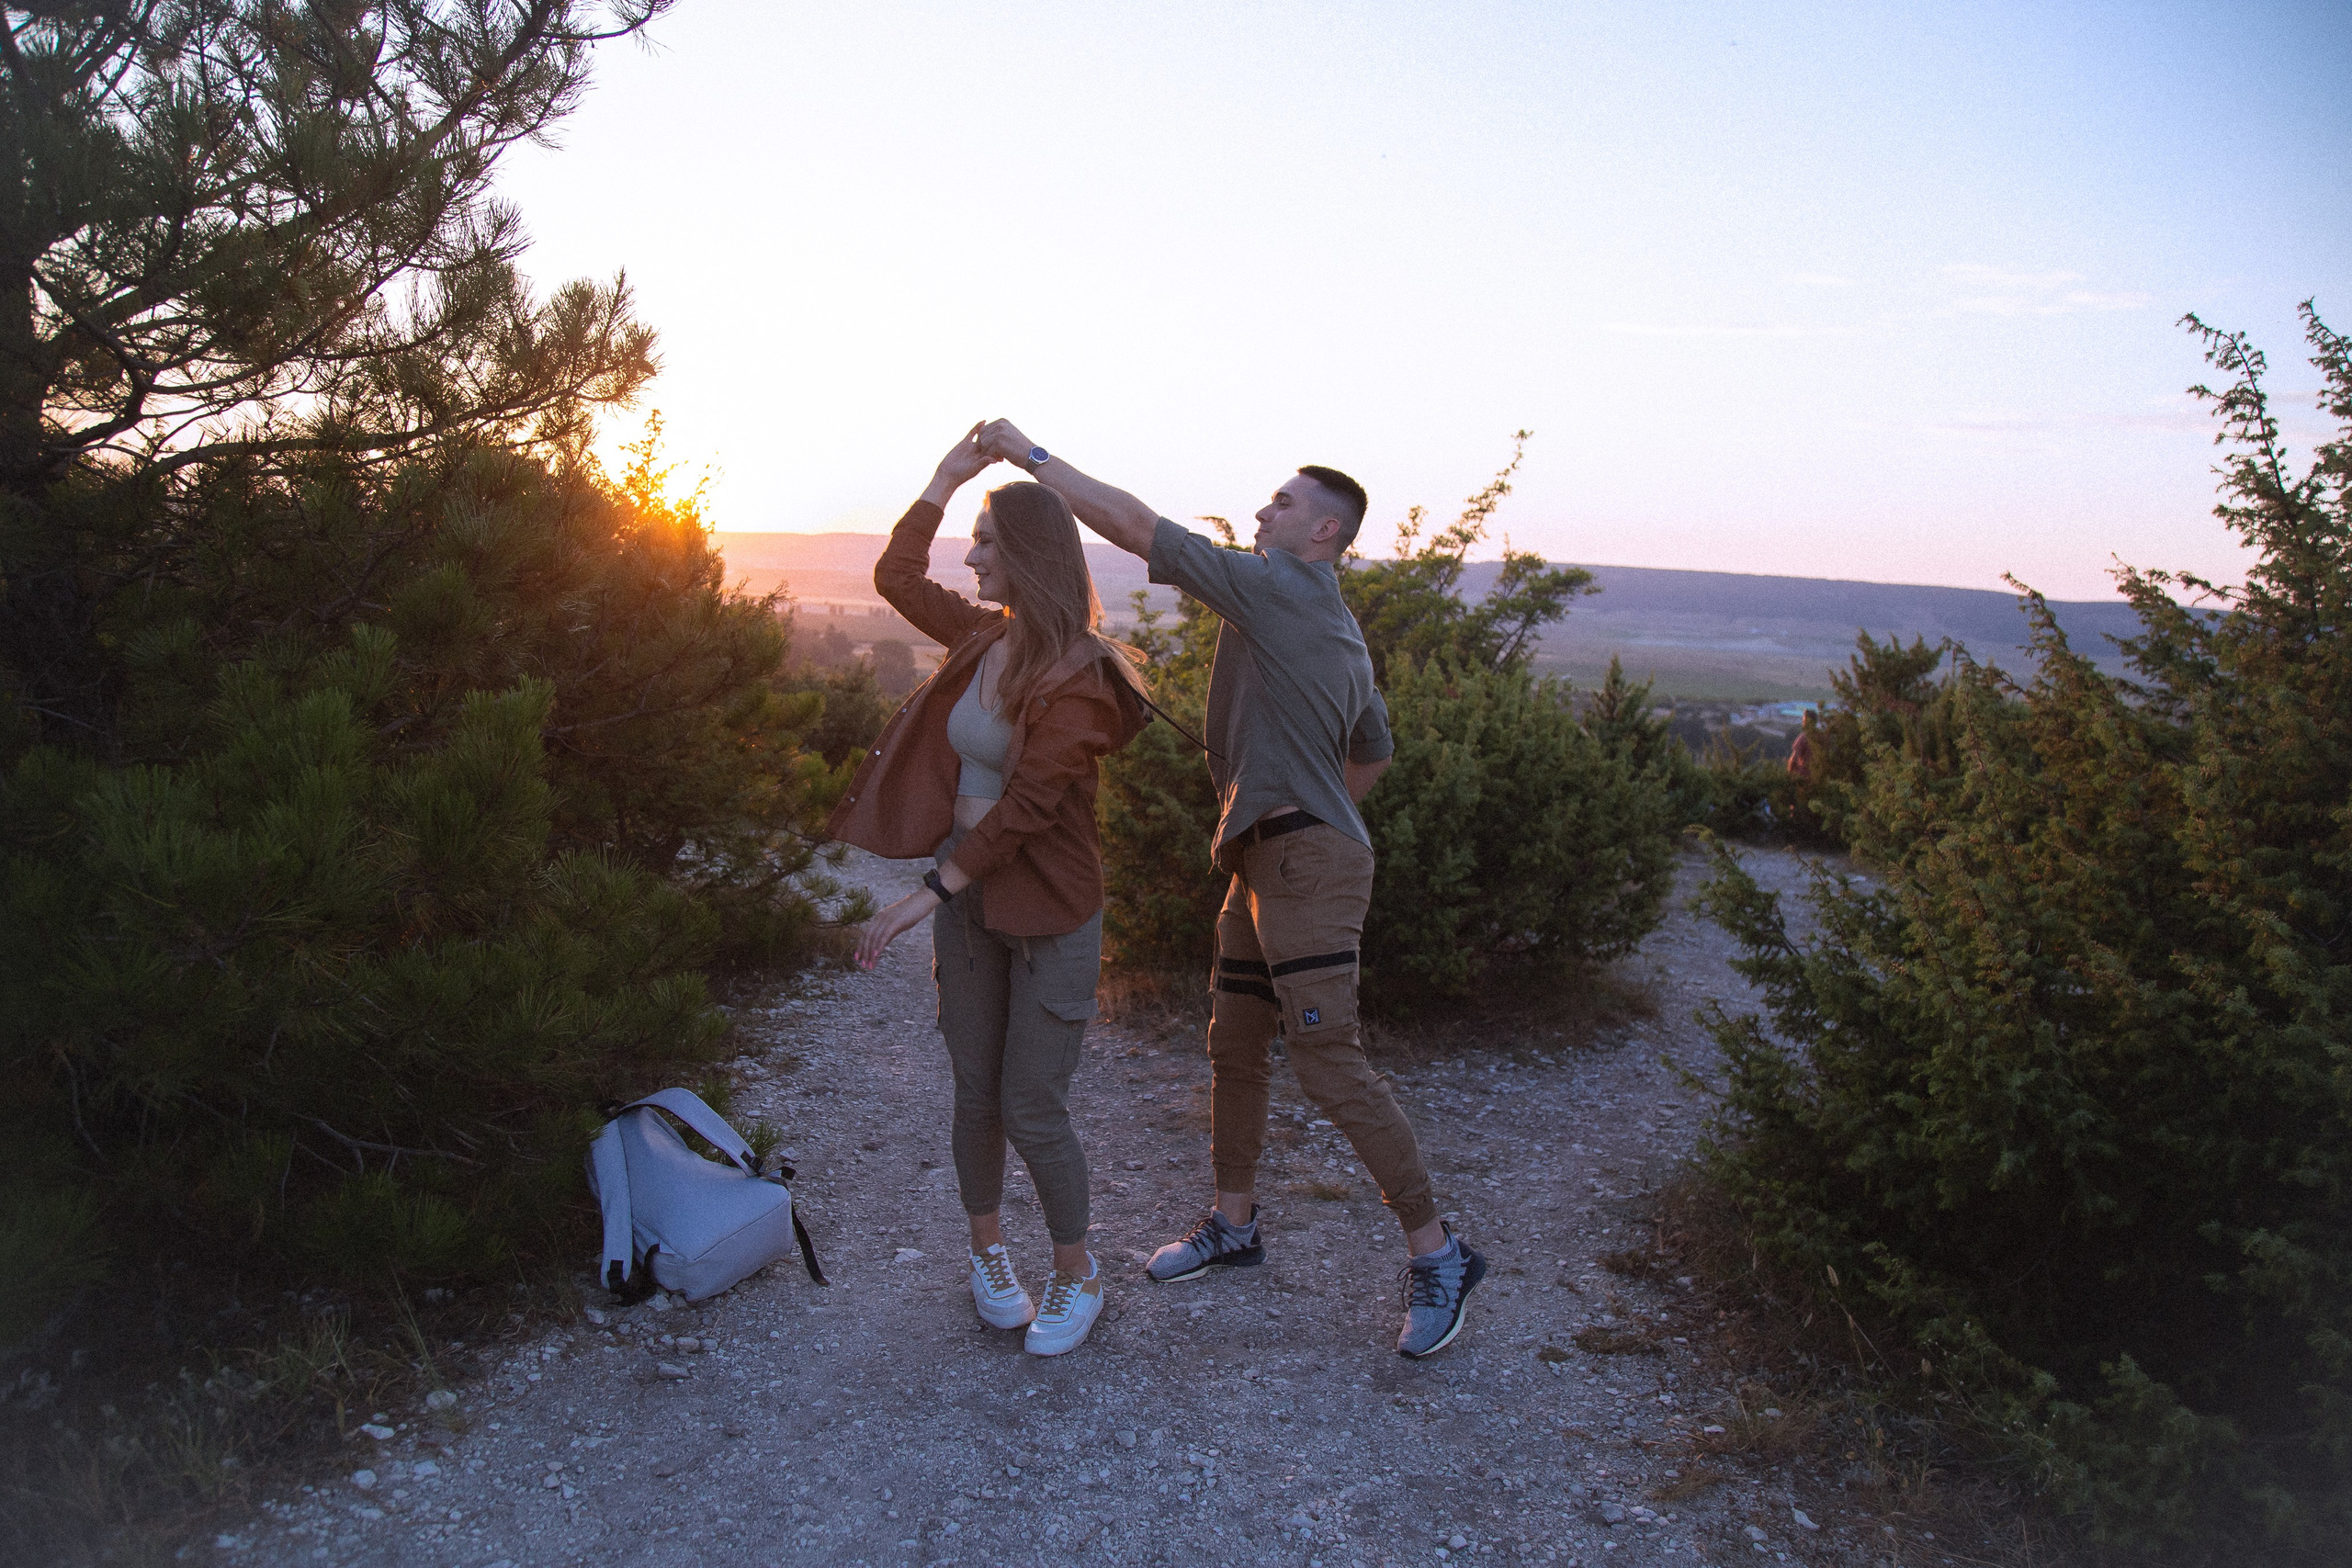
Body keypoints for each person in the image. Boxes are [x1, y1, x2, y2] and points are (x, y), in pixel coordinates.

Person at [974, 418, 1486, 1359]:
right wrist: (1303, 797)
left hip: (1302, 864)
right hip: (1268, 854)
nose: (1262, 508)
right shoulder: (1330, 623)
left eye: (1282, 502)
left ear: (1323, 532)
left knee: (1332, 1062)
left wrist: (1031, 456)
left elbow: (1135, 527)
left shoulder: (1282, 587)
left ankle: (1439, 1252)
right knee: (1235, 1046)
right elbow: (1372, 749)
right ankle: (1234, 1224)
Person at [830, 426, 1148, 1358]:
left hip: (1047, 911)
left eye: (983, 542)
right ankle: (988, 1256)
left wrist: (924, 892)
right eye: (968, 539)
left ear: (1026, 558)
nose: (967, 556)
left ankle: (1078, 1271)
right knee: (976, 1095)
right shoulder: (983, 635)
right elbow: (895, 576)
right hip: (970, 909)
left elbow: (1028, 813)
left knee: (1033, 1105)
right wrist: (944, 477)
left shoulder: (1080, 677)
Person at [1785, 707, 1819, 781]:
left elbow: (1794, 759)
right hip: (1819, 777)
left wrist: (1789, 775)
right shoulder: (1821, 737)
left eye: (1803, 719)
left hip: (1803, 778)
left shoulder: (1803, 738)